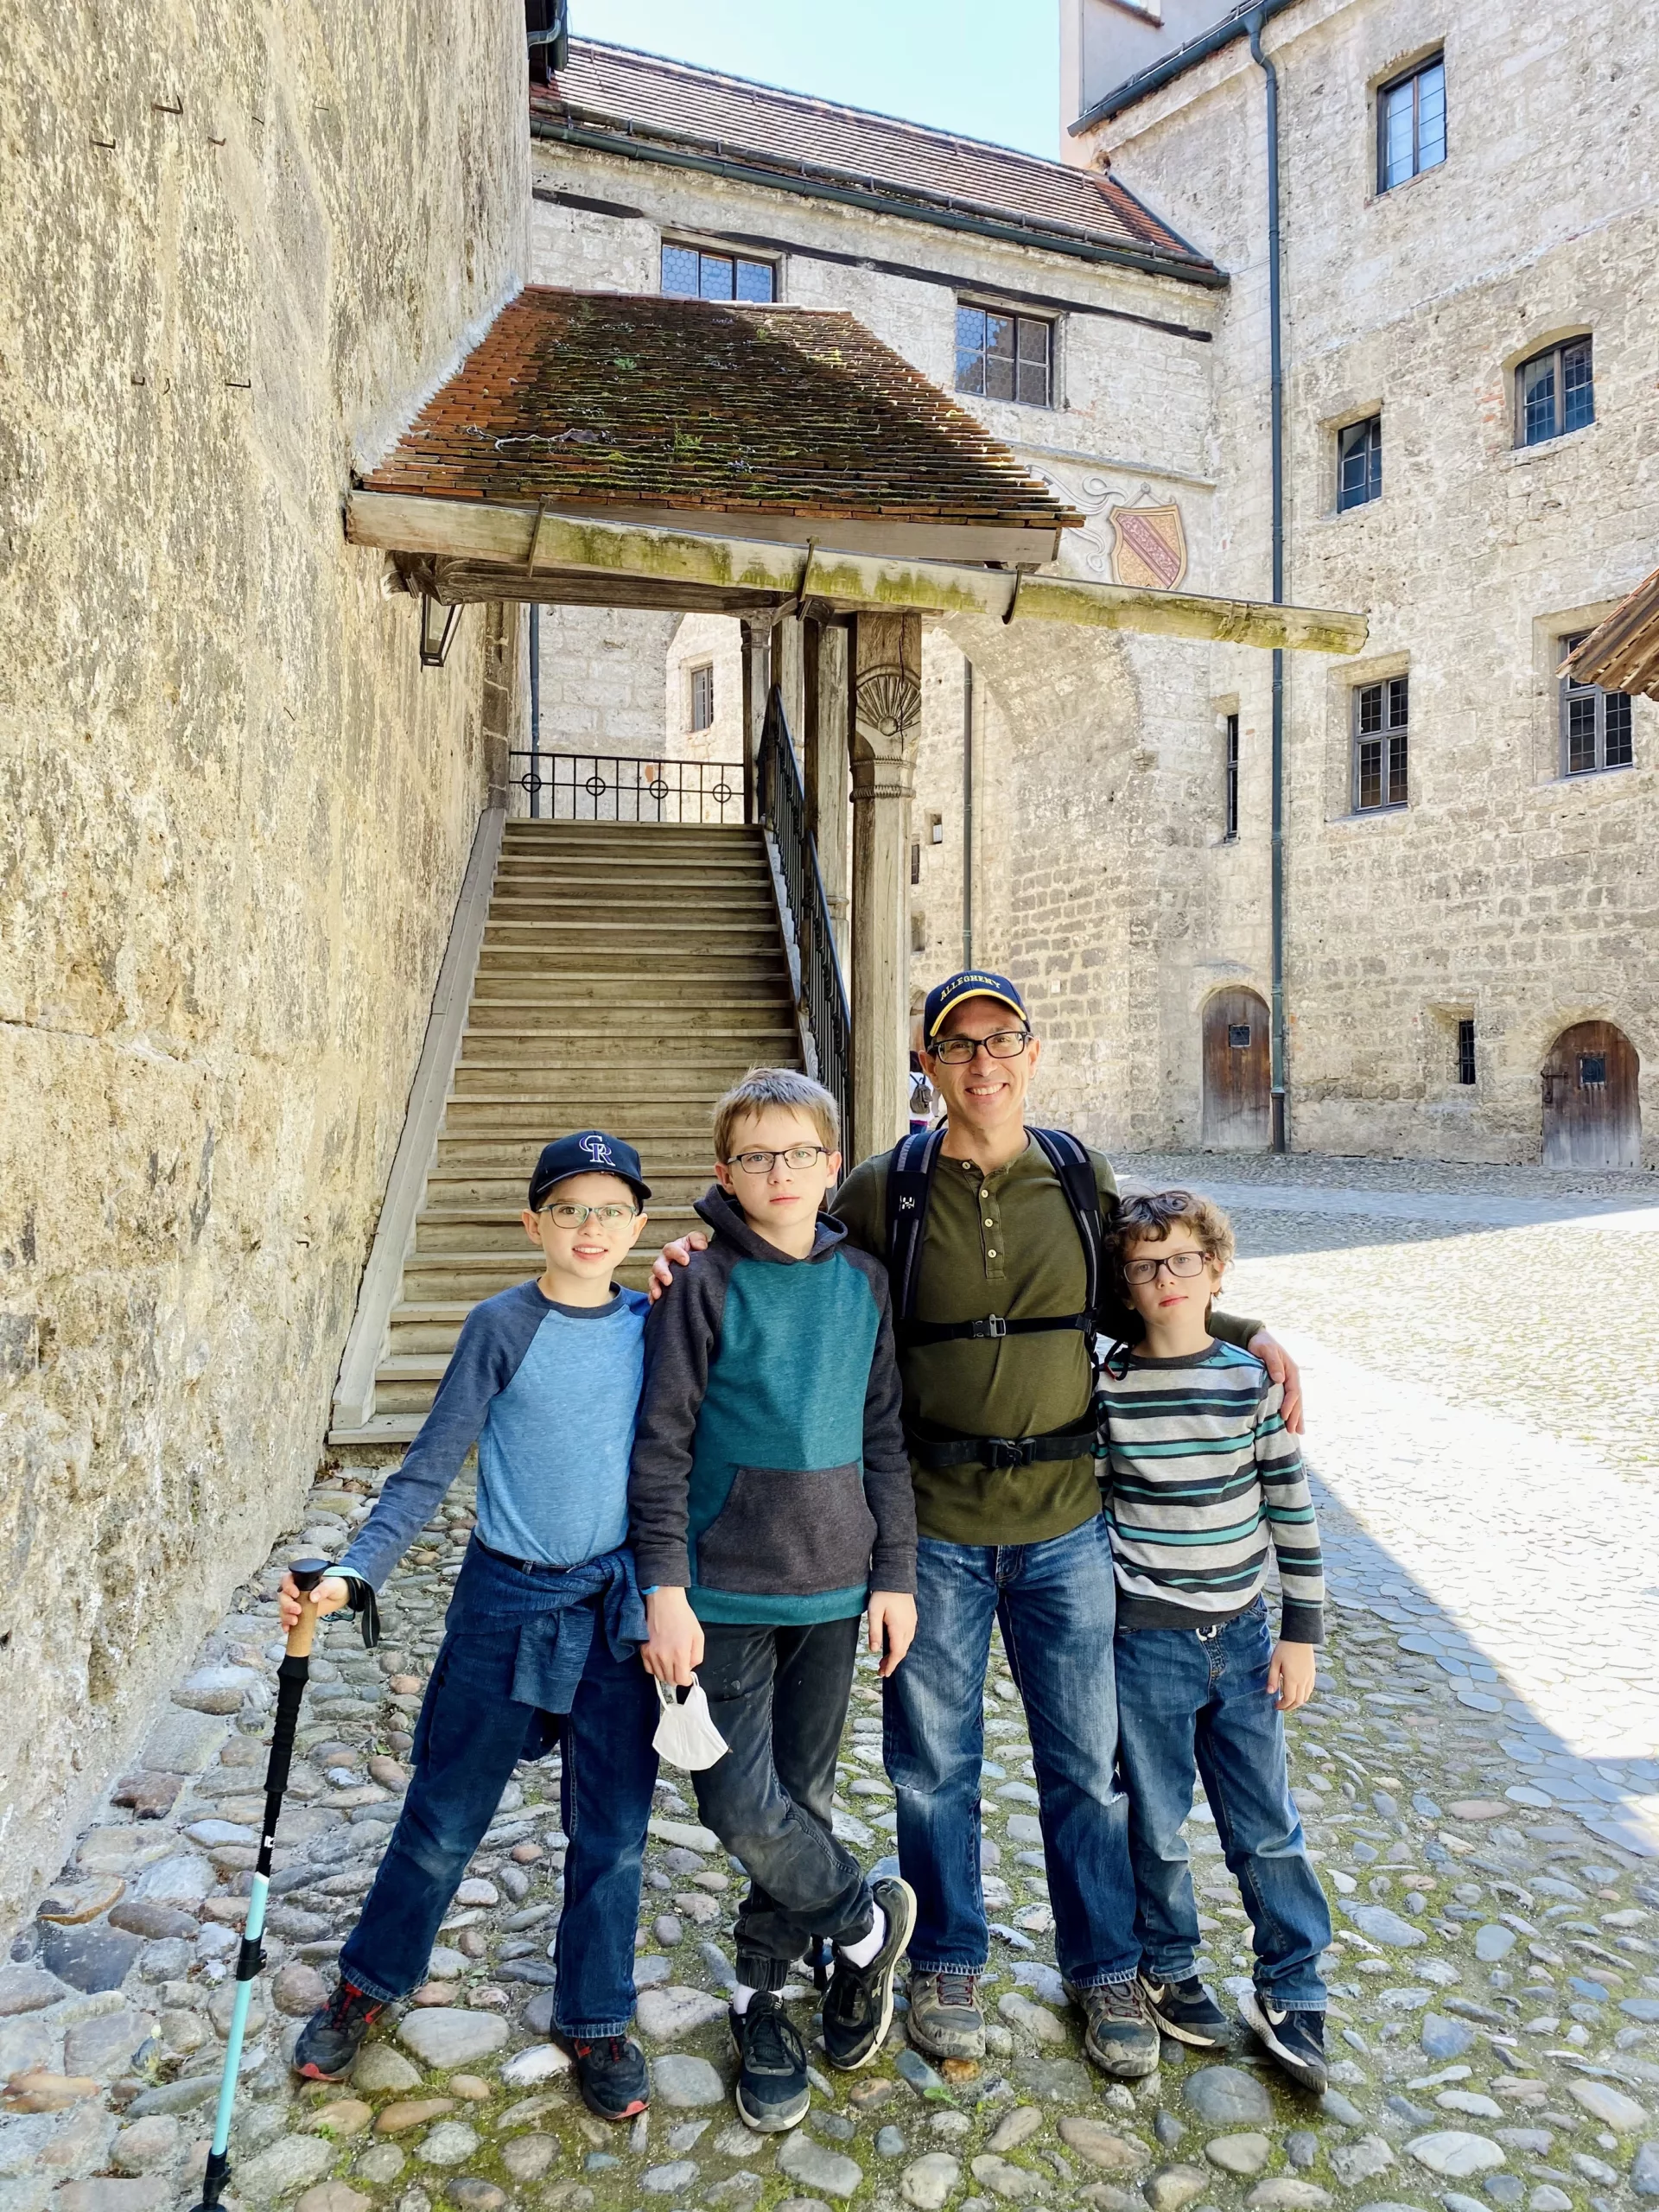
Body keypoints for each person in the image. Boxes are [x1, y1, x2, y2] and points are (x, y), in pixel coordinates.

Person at [652, 970, 1303, 2082]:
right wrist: (686, 1252)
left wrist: (1241, 1327)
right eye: (960, 1046)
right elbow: (784, 1237)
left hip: (1065, 1522)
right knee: (933, 1765)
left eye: (1002, 1041)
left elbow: (1126, 1290)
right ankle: (944, 1955)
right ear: (931, 1062)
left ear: (1031, 1052)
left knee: (1086, 1767)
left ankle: (1103, 1968)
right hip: (938, 1525)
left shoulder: (1072, 1171)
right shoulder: (881, 1186)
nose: (984, 1063)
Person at [283, 1132, 662, 2124]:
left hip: (615, 1611)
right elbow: (428, 1462)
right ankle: (368, 1981)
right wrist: (357, 1571)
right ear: (532, 1221)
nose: (591, 1228)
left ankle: (597, 2015)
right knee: (444, 1818)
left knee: (612, 1833)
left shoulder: (656, 1322)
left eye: (611, 1210)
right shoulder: (500, 1324)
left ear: (639, 1225)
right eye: (570, 1209)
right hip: (505, 1603)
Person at [629, 1068, 918, 2134]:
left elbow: (885, 1436)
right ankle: (859, 1923)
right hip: (723, 1588)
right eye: (756, 1157)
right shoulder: (701, 1283)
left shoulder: (864, 1284)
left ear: (832, 1165)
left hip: (837, 1587)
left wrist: (896, 1575)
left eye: (799, 1153)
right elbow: (659, 1446)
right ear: (725, 1173)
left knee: (804, 1792)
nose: (779, 1172)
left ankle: (762, 1997)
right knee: (733, 1798)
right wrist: (663, 1586)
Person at [1098, 1188, 1332, 2091]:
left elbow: (1292, 1513)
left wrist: (1300, 1633)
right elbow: (1096, 1502)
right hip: (1145, 1641)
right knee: (1153, 1822)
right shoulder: (1109, 1387)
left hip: (1242, 1636)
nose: (1166, 1280)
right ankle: (1167, 1960)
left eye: (1183, 1261)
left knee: (1265, 1823)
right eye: (1146, 1266)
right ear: (1126, 1281)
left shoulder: (1250, 1382)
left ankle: (1292, 1982)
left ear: (1216, 1271)